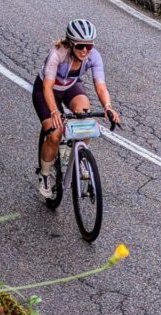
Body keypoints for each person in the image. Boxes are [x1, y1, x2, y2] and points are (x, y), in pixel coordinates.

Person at [33, 19, 120, 198]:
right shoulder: (58, 53)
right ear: (71, 44)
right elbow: (47, 87)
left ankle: (79, 155)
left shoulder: (93, 56)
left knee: (85, 117)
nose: (85, 51)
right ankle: (45, 175)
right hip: (46, 91)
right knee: (55, 134)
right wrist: (55, 111)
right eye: (80, 46)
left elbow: (101, 86)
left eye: (89, 46)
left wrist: (108, 106)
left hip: (69, 87)